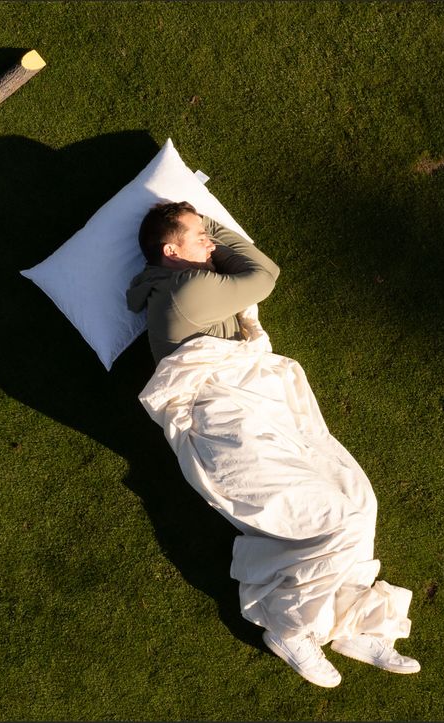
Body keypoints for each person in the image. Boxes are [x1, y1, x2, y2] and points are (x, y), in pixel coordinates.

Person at [126, 201, 419, 687]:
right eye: (200, 237)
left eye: (210, 234)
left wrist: (203, 228)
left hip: (255, 404)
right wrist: (215, 223)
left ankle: (354, 622)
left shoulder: (189, 281)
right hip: (225, 422)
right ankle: (289, 627)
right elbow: (263, 275)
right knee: (336, 520)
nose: (212, 244)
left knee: (358, 503)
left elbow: (252, 274)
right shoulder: (184, 288)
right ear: (170, 250)